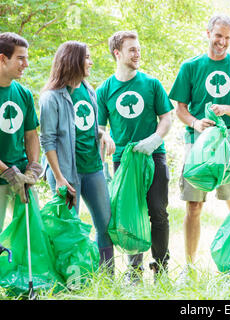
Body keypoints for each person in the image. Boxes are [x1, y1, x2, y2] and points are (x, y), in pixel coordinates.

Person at [169, 15, 230, 277]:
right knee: (194, 205)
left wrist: (227, 109)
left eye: (228, 37)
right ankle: (190, 266)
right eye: (218, 36)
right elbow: (180, 110)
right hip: (197, 142)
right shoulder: (191, 66)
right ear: (207, 33)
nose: (223, 42)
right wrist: (196, 123)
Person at [96, 31, 173, 283]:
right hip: (123, 161)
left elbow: (166, 118)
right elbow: (100, 128)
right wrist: (104, 142)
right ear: (117, 54)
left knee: (158, 212)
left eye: (138, 49)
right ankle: (133, 271)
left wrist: (154, 140)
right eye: (131, 49)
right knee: (130, 213)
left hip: (153, 157)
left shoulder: (151, 84)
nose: (137, 53)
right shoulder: (105, 89)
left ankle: (161, 269)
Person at [39, 41, 116, 274]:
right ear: (73, 61)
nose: (91, 62)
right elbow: (47, 140)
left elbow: (85, 127)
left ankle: (106, 274)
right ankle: (72, 277)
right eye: (87, 58)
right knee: (69, 229)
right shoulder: (51, 97)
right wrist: (59, 177)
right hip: (65, 173)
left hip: (93, 168)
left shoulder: (88, 89)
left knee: (105, 224)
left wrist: (103, 134)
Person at [0, 32, 41, 231]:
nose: (26, 64)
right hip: (4, 176)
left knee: (33, 234)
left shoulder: (23, 94)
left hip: (22, 178)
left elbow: (31, 135)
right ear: (2, 58)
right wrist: (7, 172)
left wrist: (32, 167)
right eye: (20, 58)